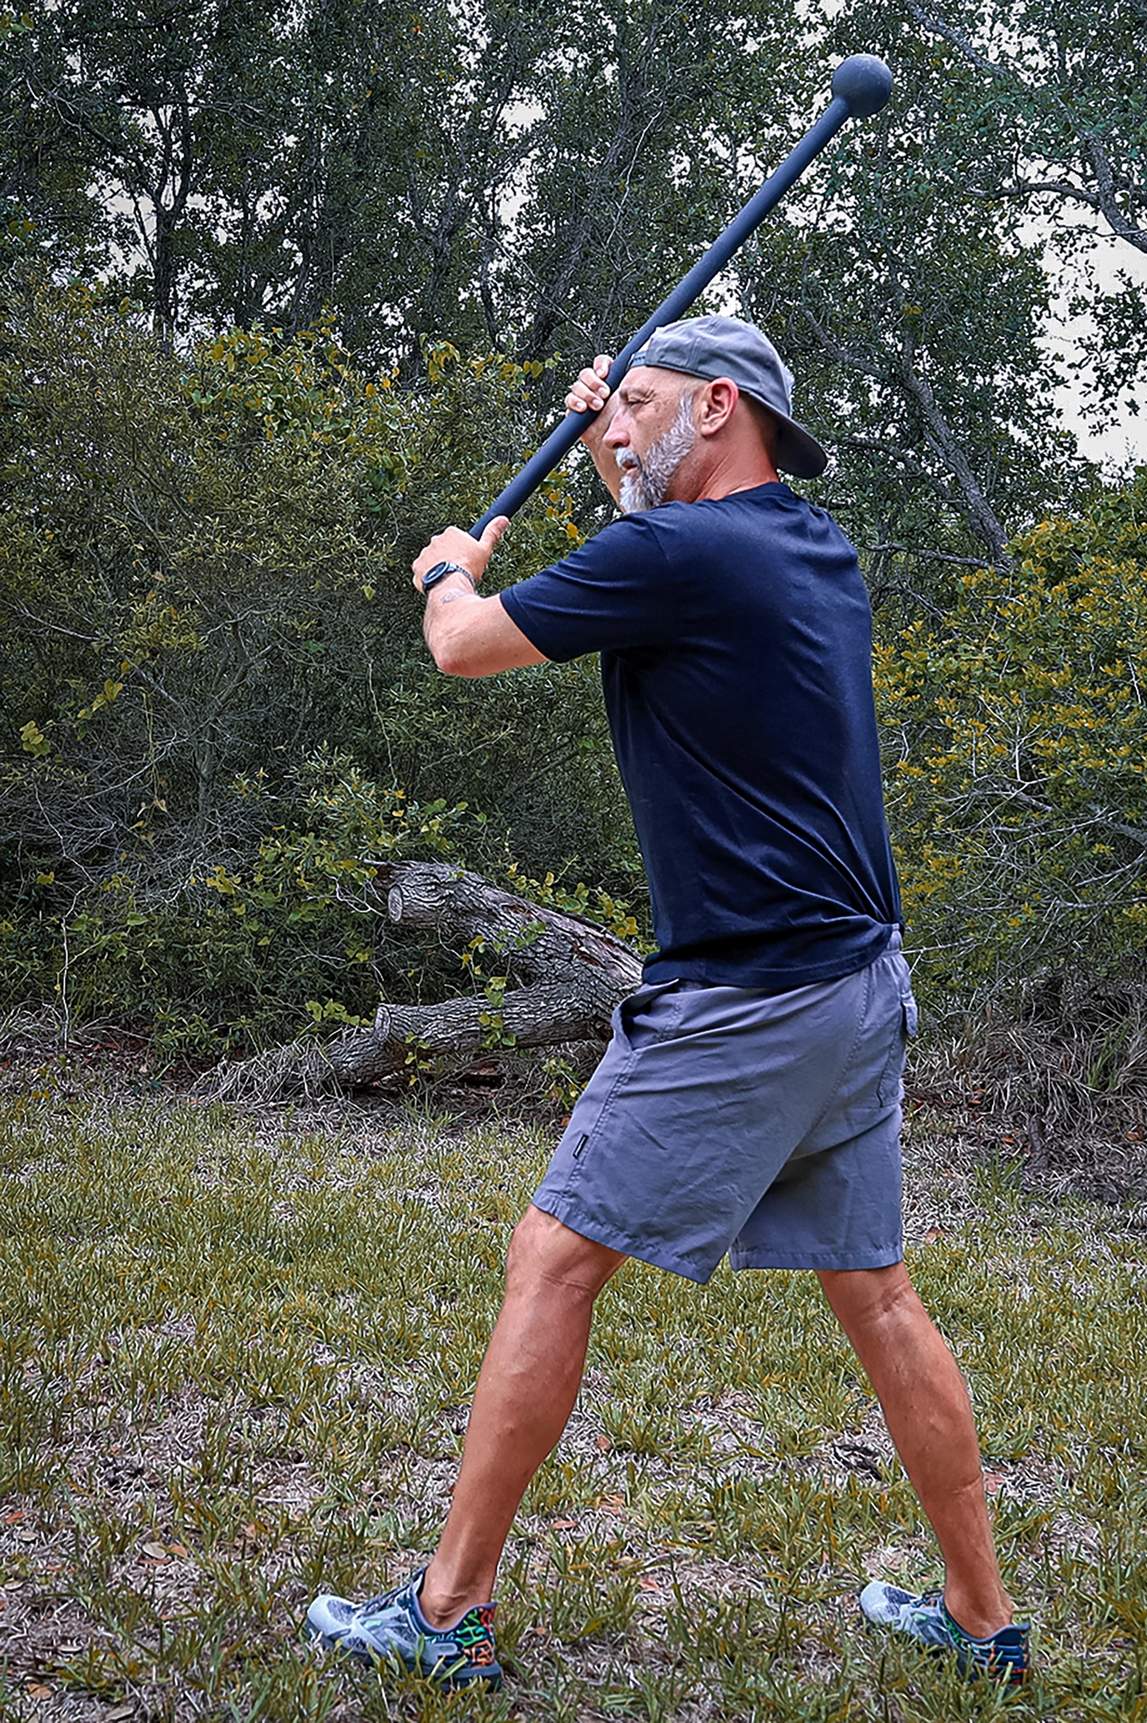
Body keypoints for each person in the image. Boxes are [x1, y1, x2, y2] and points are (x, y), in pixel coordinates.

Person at [304, 315, 1028, 1690]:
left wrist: (458, 570)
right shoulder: (806, 544)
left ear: (717, 402)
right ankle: (985, 1622)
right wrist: (609, 446)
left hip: (749, 998)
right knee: (876, 1294)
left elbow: (464, 647)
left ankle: (446, 1618)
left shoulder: (675, 554)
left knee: (554, 1261)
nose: (615, 430)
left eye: (636, 405)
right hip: (857, 985)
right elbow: (654, 540)